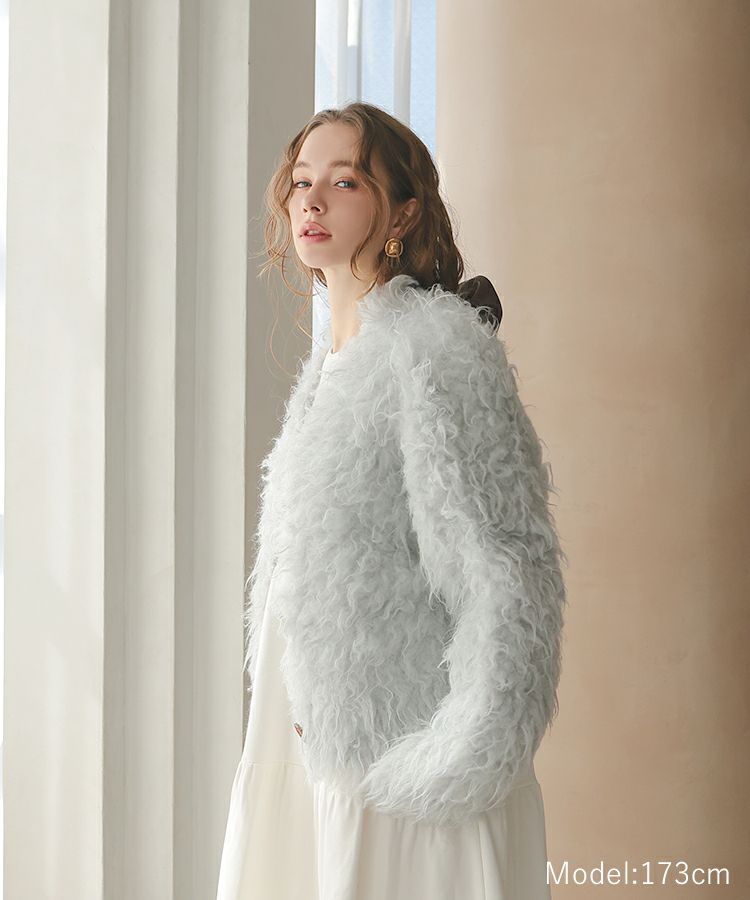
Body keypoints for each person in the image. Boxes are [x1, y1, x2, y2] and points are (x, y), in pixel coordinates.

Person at [216, 101, 567, 900]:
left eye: (345, 182)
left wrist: (455, 759)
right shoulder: (332, 368)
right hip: (309, 755)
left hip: (399, 782)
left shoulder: (435, 349)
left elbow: (508, 573)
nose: (312, 200)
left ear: (403, 213)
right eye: (302, 181)